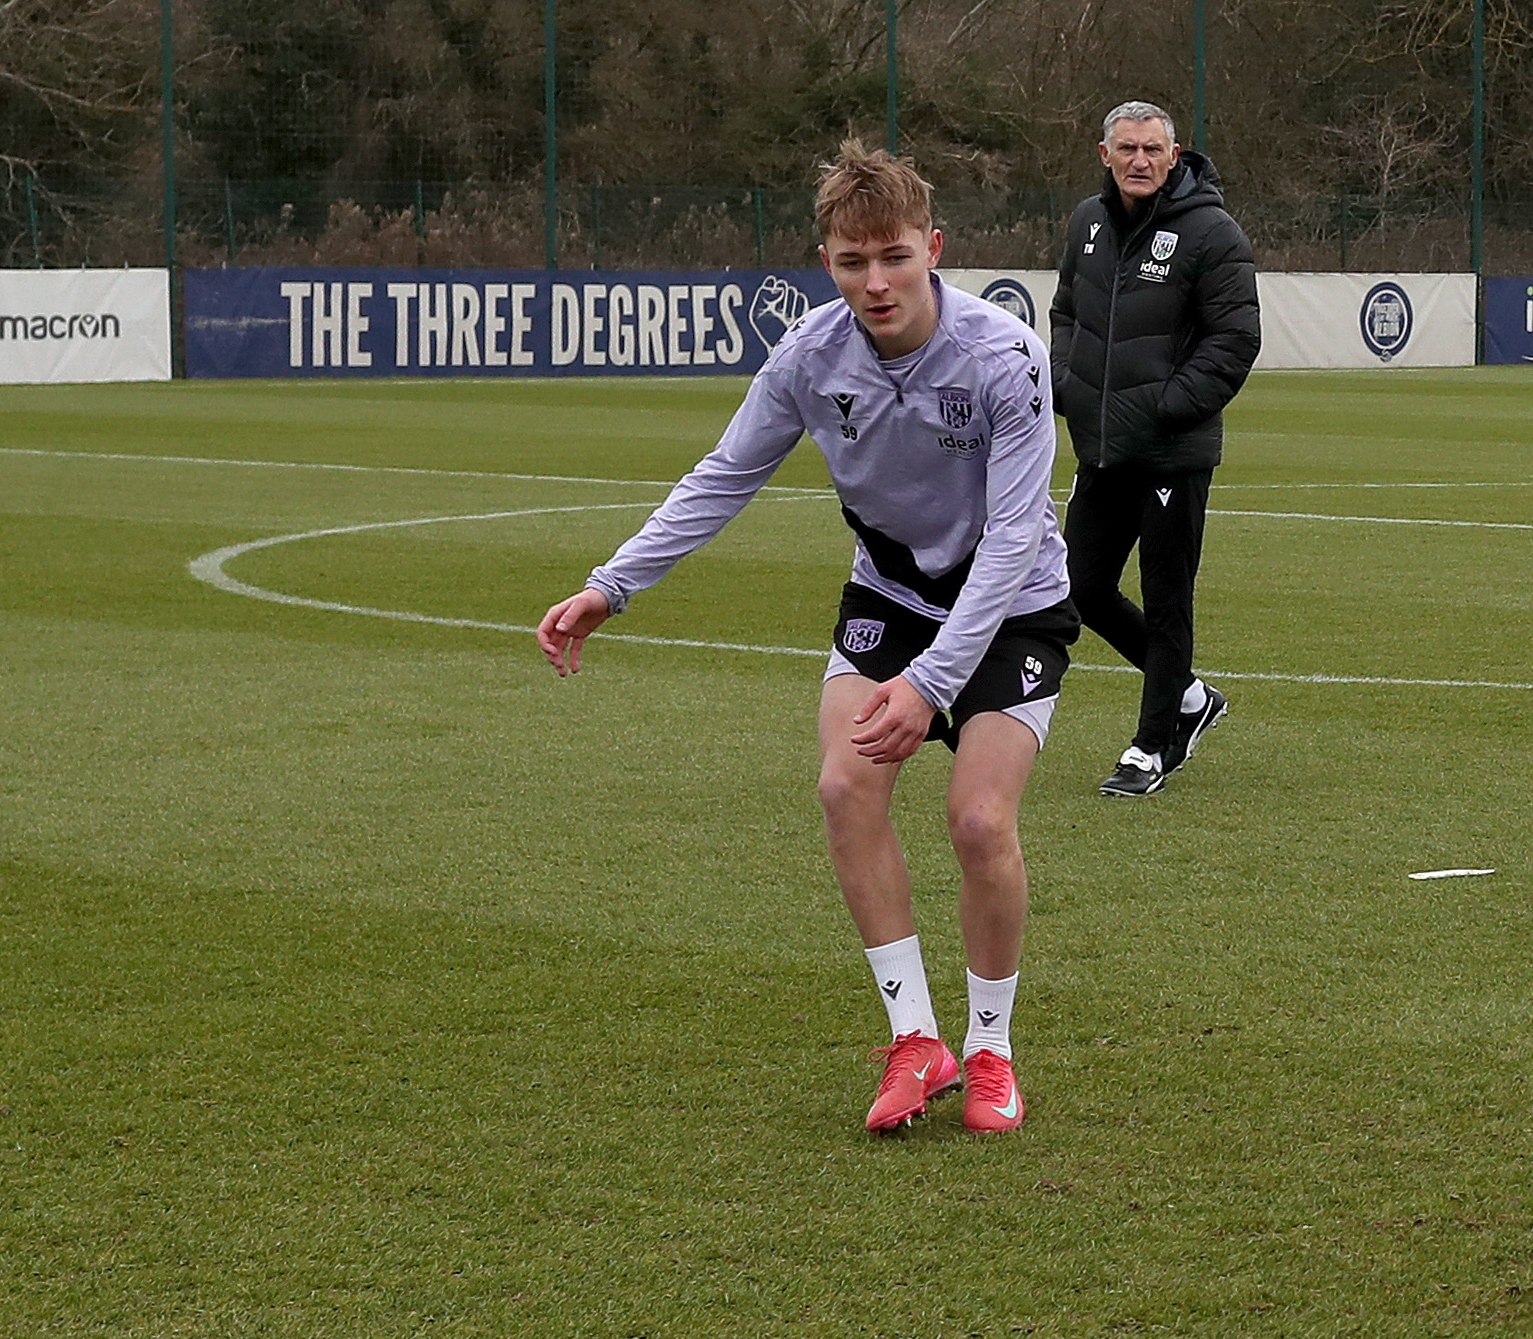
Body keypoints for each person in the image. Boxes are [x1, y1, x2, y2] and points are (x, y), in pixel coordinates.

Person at [534, 144, 1075, 1135]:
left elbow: (1009, 540)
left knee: (978, 822)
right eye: (850, 260)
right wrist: (611, 584)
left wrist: (928, 685)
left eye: (895, 257)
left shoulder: (1005, 357)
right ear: (823, 258)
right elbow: (724, 472)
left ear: (933, 249)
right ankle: (918, 1040)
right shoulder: (807, 357)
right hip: (890, 592)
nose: (874, 282)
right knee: (842, 784)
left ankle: (992, 1049)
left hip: (1010, 600)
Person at [1050, 101, 1262, 798]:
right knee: (1078, 586)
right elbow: (1065, 313)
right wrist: (1069, 386)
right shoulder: (1086, 222)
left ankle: (1153, 743)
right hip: (1102, 446)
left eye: (1152, 149)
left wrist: (1167, 407)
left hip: (1172, 453)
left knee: (1167, 600)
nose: (1139, 160)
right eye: (1126, 148)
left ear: (1175, 156)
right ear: (1103, 153)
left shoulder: (1212, 231)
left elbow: (1234, 340)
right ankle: (1191, 697)